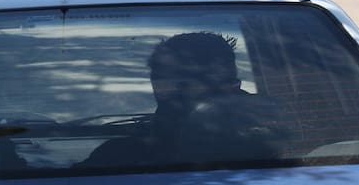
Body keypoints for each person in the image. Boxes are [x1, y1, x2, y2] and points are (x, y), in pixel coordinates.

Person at [79, 32, 251, 168]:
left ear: (230, 85)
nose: (166, 89)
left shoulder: (265, 139)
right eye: (159, 77)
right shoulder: (120, 154)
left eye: (185, 79)